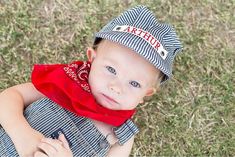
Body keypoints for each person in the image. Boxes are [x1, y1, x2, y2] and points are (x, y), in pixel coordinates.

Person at [0, 5, 182, 157]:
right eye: (111, 70)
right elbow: (9, 97)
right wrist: (21, 133)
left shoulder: (121, 138)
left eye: (134, 84)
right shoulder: (64, 82)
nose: (116, 87)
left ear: (146, 94)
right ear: (92, 59)